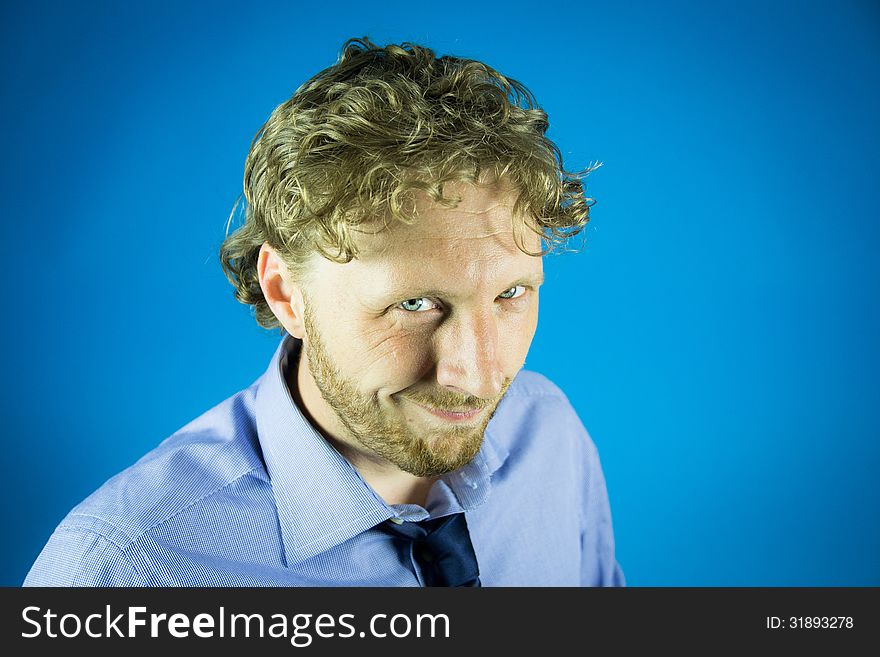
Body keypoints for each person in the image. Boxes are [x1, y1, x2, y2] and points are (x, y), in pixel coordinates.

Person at [24, 37, 624, 587]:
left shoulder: (547, 433)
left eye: (511, 295)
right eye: (412, 304)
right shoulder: (122, 568)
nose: (477, 375)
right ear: (285, 293)